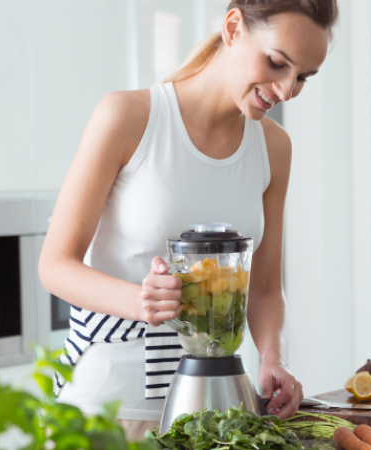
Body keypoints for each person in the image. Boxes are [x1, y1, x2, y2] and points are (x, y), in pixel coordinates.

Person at [38, 0, 339, 440]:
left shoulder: (274, 147)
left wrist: (273, 358)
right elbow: (54, 266)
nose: (286, 89)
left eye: (303, 78)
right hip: (107, 411)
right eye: (277, 63)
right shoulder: (128, 117)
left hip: (213, 418)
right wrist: (140, 301)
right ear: (233, 27)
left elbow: (266, 286)